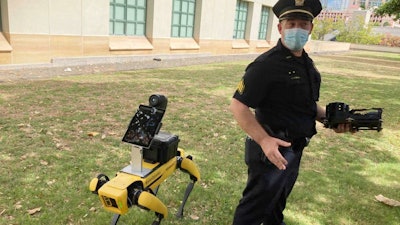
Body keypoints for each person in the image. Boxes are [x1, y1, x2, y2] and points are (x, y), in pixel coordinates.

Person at [229, 0, 353, 224]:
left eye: (303, 24)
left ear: (310, 29)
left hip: (295, 149)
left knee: (277, 205)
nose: (297, 28)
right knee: (253, 211)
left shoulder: (307, 64)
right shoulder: (265, 65)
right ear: (280, 28)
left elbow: (306, 105)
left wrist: (332, 119)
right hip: (271, 152)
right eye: (291, 23)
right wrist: (265, 140)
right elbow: (238, 105)